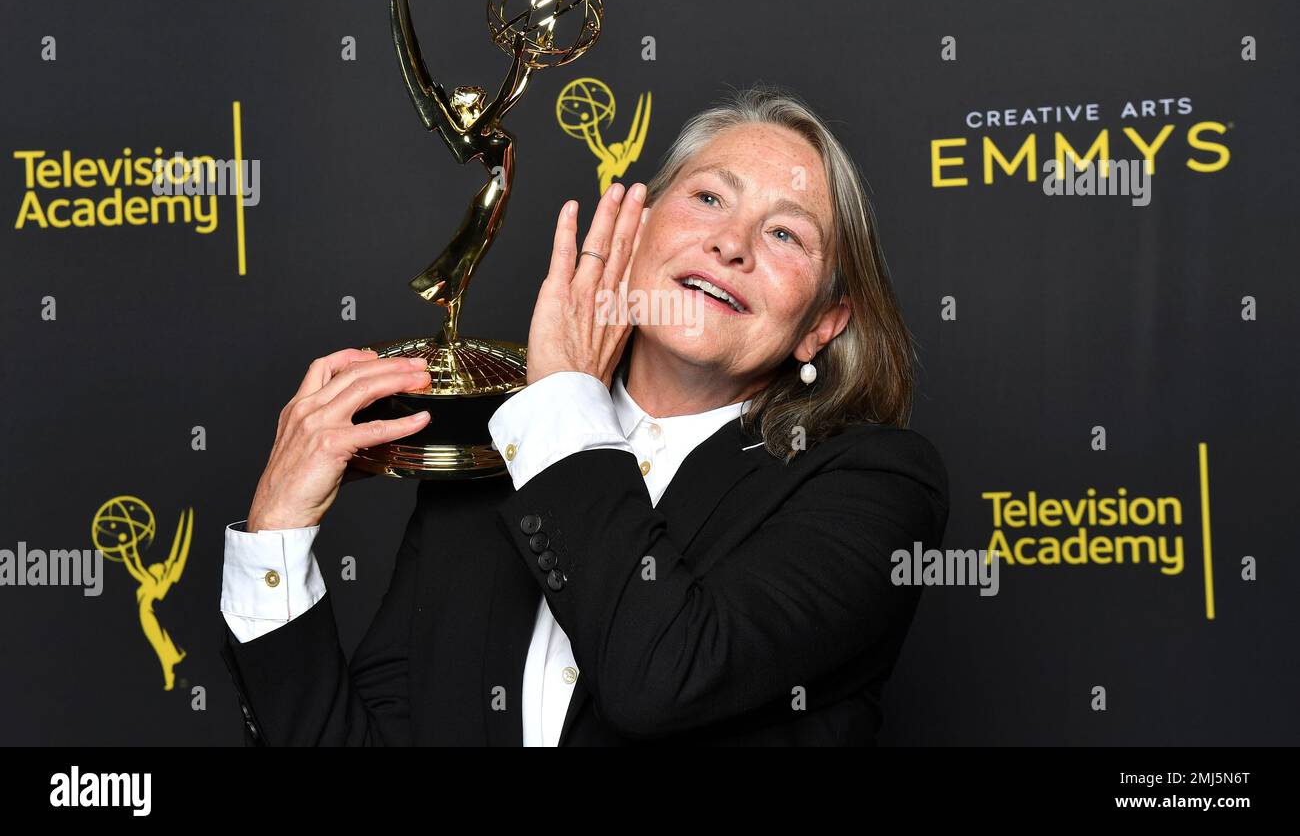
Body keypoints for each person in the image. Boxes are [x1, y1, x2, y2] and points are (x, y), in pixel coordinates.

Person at [218, 83, 949, 746]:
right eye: (707, 199)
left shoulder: (875, 484)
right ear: (634, 231)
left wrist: (563, 396)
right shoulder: (490, 462)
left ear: (824, 323)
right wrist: (275, 537)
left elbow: (661, 678)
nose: (732, 243)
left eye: (786, 234)